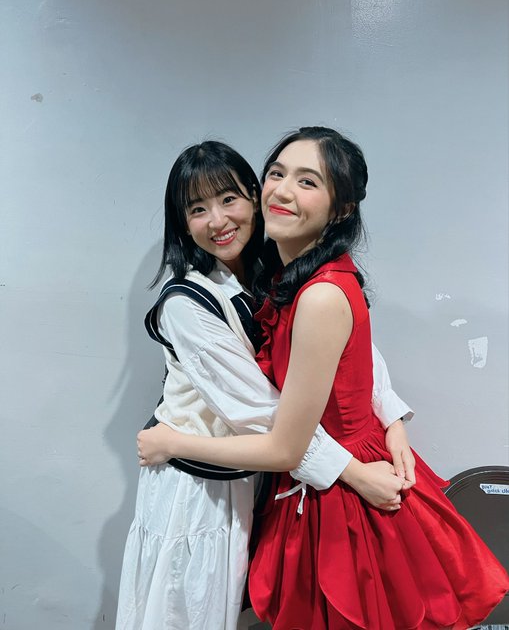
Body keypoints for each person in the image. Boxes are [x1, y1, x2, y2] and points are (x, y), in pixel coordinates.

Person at [138, 128, 509, 630]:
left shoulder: (306, 284)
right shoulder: (263, 281)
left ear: (341, 208)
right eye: (277, 174)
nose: (283, 190)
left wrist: (388, 421)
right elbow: (276, 401)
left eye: (307, 181)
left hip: (324, 479)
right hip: (241, 482)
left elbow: (342, 366)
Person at [116, 140, 415, 630]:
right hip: (197, 492)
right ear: (182, 223)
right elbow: (262, 413)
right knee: (186, 613)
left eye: (229, 199)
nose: (217, 221)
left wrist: (391, 417)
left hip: (262, 477)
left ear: (254, 198)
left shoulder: (277, 272)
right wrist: (354, 473)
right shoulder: (187, 305)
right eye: (197, 209)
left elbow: (348, 348)